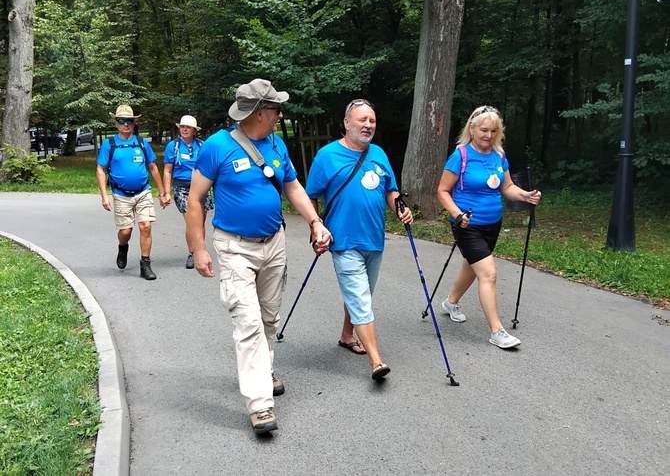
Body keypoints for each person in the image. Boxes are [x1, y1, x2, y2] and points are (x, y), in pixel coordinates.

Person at [185, 78, 331, 435]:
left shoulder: (277, 144)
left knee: (268, 318)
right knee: (248, 323)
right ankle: (260, 405)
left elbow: (292, 186)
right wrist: (199, 248)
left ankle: (263, 370)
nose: (281, 114)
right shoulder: (218, 147)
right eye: (277, 109)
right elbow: (194, 200)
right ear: (261, 112)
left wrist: (315, 221)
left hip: (274, 243)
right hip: (235, 247)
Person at [305, 99, 413, 382]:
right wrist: (316, 229)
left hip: (374, 240)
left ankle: (346, 335)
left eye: (372, 121)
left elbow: (391, 189)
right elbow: (309, 196)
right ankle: (376, 361)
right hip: (343, 241)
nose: (368, 125)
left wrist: (400, 208)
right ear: (347, 123)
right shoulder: (327, 156)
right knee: (361, 298)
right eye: (362, 120)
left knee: (361, 293)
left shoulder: (378, 154)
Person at [436, 105, 542, 349]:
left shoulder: (499, 155)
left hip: (493, 223)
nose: (488, 135)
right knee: (488, 273)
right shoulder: (461, 156)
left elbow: (506, 187)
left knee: (472, 266)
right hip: (466, 223)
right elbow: (442, 191)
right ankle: (497, 331)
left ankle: (451, 302)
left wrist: (526, 196)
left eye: (494, 131)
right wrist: (456, 213)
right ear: (472, 129)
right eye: (484, 130)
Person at [96, 105, 169, 281]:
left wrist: (162, 192)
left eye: (129, 121)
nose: (126, 124)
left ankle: (145, 265)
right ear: (116, 123)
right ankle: (123, 246)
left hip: (143, 192)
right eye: (122, 121)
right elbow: (100, 169)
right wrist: (104, 196)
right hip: (121, 194)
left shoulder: (142, 143)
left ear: (134, 123)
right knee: (126, 231)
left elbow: (152, 167)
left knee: (146, 226)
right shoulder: (110, 144)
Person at [162, 115, 214, 269]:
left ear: (194, 130)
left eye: (188, 127)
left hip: (201, 186)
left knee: (201, 220)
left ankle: (200, 250)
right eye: (182, 126)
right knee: (192, 220)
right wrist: (166, 193)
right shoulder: (173, 146)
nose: (184, 129)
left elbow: (210, 167)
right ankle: (193, 252)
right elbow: (167, 171)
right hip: (182, 186)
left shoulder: (202, 146)